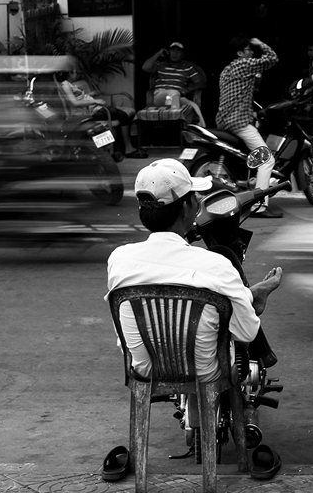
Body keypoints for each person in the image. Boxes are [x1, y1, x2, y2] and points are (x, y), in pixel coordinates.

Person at [106, 158, 282, 384]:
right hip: (205, 373)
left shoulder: (119, 259)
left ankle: (246, 296)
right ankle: (246, 297)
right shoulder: (216, 265)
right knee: (235, 329)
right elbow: (246, 333)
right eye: (195, 198)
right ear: (187, 207)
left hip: (146, 369)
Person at [217, 34, 281, 218]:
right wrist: (260, 43)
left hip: (224, 120)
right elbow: (272, 59)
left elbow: (237, 95)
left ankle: (248, 183)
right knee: (267, 160)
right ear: (239, 53)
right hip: (238, 122)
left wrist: (251, 112)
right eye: (248, 49)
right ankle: (259, 206)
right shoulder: (243, 64)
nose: (252, 52)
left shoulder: (227, 69)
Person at [55, 69, 147, 160]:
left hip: (91, 108)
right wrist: (95, 101)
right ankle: (126, 149)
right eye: (75, 72)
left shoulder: (70, 84)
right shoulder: (65, 85)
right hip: (86, 113)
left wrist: (91, 94)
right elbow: (74, 103)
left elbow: (78, 98)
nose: (77, 74)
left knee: (121, 115)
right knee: (119, 114)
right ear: (70, 73)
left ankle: (124, 148)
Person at [141, 42, 207, 126]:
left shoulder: (187, 67)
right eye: (173, 50)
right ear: (169, 52)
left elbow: (201, 83)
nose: (175, 53)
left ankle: (202, 131)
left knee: (194, 106)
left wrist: (188, 89)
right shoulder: (161, 64)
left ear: (182, 54)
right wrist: (158, 54)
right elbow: (145, 67)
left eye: (178, 51)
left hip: (177, 98)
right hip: (161, 95)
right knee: (173, 93)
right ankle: (172, 125)